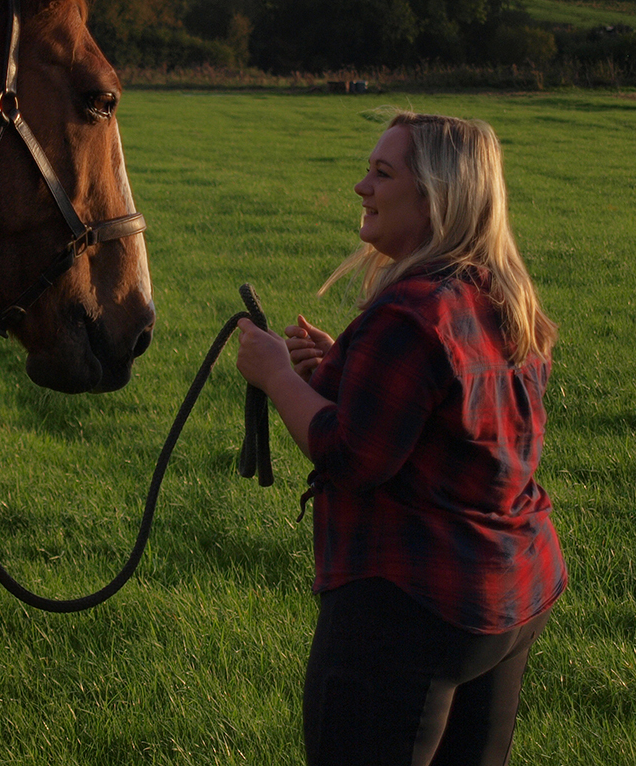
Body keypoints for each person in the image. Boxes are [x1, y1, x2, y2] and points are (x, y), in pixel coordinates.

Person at [236, 111, 566, 766]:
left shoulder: (410, 313)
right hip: (510, 595)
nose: (362, 187)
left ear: (434, 198)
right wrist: (343, 365)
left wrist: (276, 376)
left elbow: (351, 456)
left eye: (381, 173)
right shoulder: (500, 296)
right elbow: (447, 415)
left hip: (410, 606)